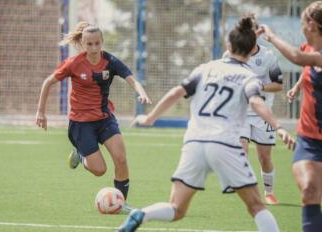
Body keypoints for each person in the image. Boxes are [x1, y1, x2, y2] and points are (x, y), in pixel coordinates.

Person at [117, 17, 295, 232]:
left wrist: (150, 118)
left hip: (194, 143)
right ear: (250, 53)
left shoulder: (205, 68)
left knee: (176, 208)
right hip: (225, 144)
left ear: (228, 46)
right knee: (257, 206)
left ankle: (142, 214)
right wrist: (280, 127)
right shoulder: (248, 76)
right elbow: (257, 102)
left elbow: (177, 92)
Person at [35, 21, 152, 203]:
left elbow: (131, 79)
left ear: (102, 42)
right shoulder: (74, 63)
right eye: (89, 44)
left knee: (121, 159)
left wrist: (142, 93)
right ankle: (79, 155)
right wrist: (41, 112)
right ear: (83, 44)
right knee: (100, 170)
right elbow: (48, 82)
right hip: (81, 123)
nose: (94, 47)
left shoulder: (110, 61)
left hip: (104, 119)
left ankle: (120, 203)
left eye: (97, 43)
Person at [261, 1, 322, 231]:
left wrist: (272, 36)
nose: (301, 29)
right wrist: (298, 87)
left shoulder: (309, 54)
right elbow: (306, 63)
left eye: (302, 24)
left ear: (312, 25)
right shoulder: (309, 50)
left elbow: (298, 58)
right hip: (309, 140)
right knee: (309, 190)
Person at [223, 14, 283, 205]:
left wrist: (259, 87)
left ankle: (269, 191)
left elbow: (279, 85)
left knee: (264, 157)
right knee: (241, 149)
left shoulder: (268, 56)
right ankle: (243, 185)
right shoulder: (229, 56)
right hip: (240, 112)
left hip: (262, 113)